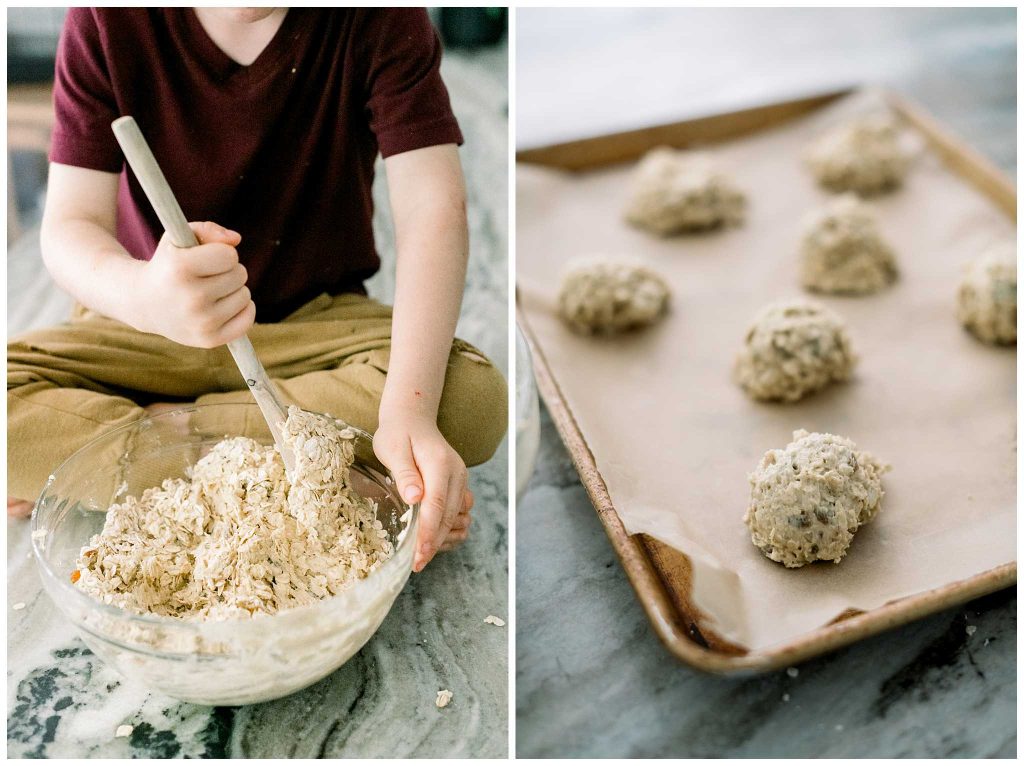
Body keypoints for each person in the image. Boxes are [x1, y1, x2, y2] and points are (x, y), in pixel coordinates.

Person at [6, 7, 507, 573]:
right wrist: (144, 293)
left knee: (470, 400)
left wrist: (408, 415)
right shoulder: (103, 18)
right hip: (145, 328)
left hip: (315, 323)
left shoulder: (384, 17)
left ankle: (145, 449)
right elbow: (71, 227)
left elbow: (432, 210)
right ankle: (319, 469)